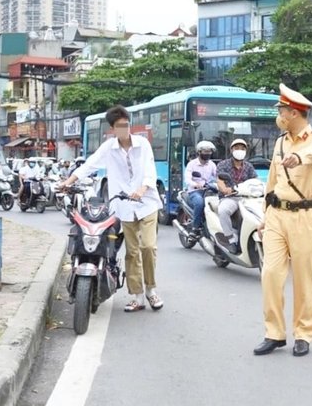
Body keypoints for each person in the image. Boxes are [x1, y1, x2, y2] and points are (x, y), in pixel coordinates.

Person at [61, 105, 164, 312]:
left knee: (148, 247)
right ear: (113, 129)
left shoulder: (143, 144)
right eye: (120, 126)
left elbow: (150, 171)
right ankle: (137, 296)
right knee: (132, 252)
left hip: (147, 203)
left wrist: (142, 189)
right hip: (124, 207)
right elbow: (89, 165)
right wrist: (68, 182)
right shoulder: (108, 147)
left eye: (126, 125)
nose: (124, 129)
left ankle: (151, 290)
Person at [254, 83, 312, 358]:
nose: (280, 115)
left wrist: (299, 157)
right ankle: (274, 333)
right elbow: (272, 182)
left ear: (294, 113)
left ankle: (303, 333)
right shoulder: (280, 142)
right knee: (270, 274)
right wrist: (264, 215)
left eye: (282, 111)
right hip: (277, 215)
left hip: (305, 217)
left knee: (304, 279)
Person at [214, 139, 258, 254]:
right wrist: (225, 190)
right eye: (237, 148)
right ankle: (230, 240)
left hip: (246, 198)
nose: (240, 150)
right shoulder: (223, 165)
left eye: (242, 148)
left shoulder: (249, 166)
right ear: (231, 150)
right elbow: (220, 181)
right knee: (223, 211)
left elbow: (255, 181)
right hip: (230, 198)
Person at [184, 140, 217, 238]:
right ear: (199, 152)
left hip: (208, 190)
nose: (207, 154)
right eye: (205, 151)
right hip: (195, 191)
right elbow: (187, 179)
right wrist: (195, 184)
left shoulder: (212, 164)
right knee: (199, 203)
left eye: (209, 151)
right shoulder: (192, 164)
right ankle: (195, 228)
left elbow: (217, 176)